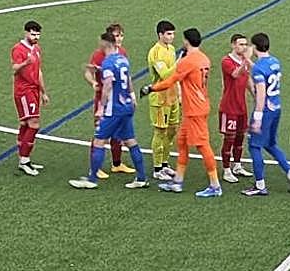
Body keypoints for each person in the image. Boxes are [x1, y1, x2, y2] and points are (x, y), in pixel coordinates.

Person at [142, 27, 222, 197]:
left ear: (186, 41)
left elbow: (169, 80)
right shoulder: (204, 58)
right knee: (182, 142)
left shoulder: (188, 61)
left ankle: (215, 185)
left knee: (203, 145)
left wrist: (151, 88)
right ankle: (177, 182)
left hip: (194, 109)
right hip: (197, 106)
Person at [70, 32, 149, 190]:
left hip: (114, 109)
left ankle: (91, 179)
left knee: (99, 141)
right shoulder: (123, 59)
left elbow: (107, 86)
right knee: (130, 141)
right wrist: (132, 97)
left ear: (106, 44)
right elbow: (127, 80)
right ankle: (141, 178)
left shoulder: (108, 63)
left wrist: (101, 107)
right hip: (127, 106)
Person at [242, 32, 290, 196]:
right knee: (270, 144)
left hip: (265, 110)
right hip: (276, 108)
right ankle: (289, 172)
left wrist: (258, 117)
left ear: (254, 47)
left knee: (254, 146)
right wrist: (248, 61)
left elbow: (260, 93)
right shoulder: (274, 62)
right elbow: (263, 71)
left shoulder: (259, 69)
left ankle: (260, 185)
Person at [85, 22, 133, 177]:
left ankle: (117, 163)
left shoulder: (122, 52)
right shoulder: (99, 54)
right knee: (101, 131)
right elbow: (88, 71)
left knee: (117, 132)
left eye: (121, 35)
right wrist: (93, 82)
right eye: (116, 35)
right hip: (103, 99)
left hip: (118, 100)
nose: (119, 38)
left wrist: (130, 94)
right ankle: (94, 167)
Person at [11, 20, 48, 176]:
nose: (35, 37)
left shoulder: (37, 49)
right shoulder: (18, 49)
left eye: (38, 34)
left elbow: (38, 72)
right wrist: (25, 62)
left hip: (34, 90)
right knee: (34, 124)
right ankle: (24, 160)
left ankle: (24, 157)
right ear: (26, 33)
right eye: (33, 34)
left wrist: (43, 92)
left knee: (26, 123)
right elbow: (14, 69)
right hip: (23, 90)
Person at [147, 20, 181, 180]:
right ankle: (157, 167)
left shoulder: (172, 49)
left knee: (172, 130)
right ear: (160, 34)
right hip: (160, 98)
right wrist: (179, 64)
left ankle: (165, 163)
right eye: (168, 34)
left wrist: (179, 94)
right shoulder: (155, 52)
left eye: (173, 33)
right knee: (160, 132)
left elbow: (175, 77)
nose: (172, 37)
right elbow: (165, 75)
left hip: (173, 96)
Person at [218, 33, 252, 183]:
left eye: (245, 44)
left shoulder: (244, 62)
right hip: (229, 107)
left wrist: (257, 96)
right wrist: (246, 60)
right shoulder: (226, 61)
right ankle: (226, 169)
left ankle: (237, 165)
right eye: (241, 44)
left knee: (240, 137)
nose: (243, 47)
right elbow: (236, 74)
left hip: (241, 107)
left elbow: (248, 80)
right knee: (229, 139)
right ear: (233, 45)